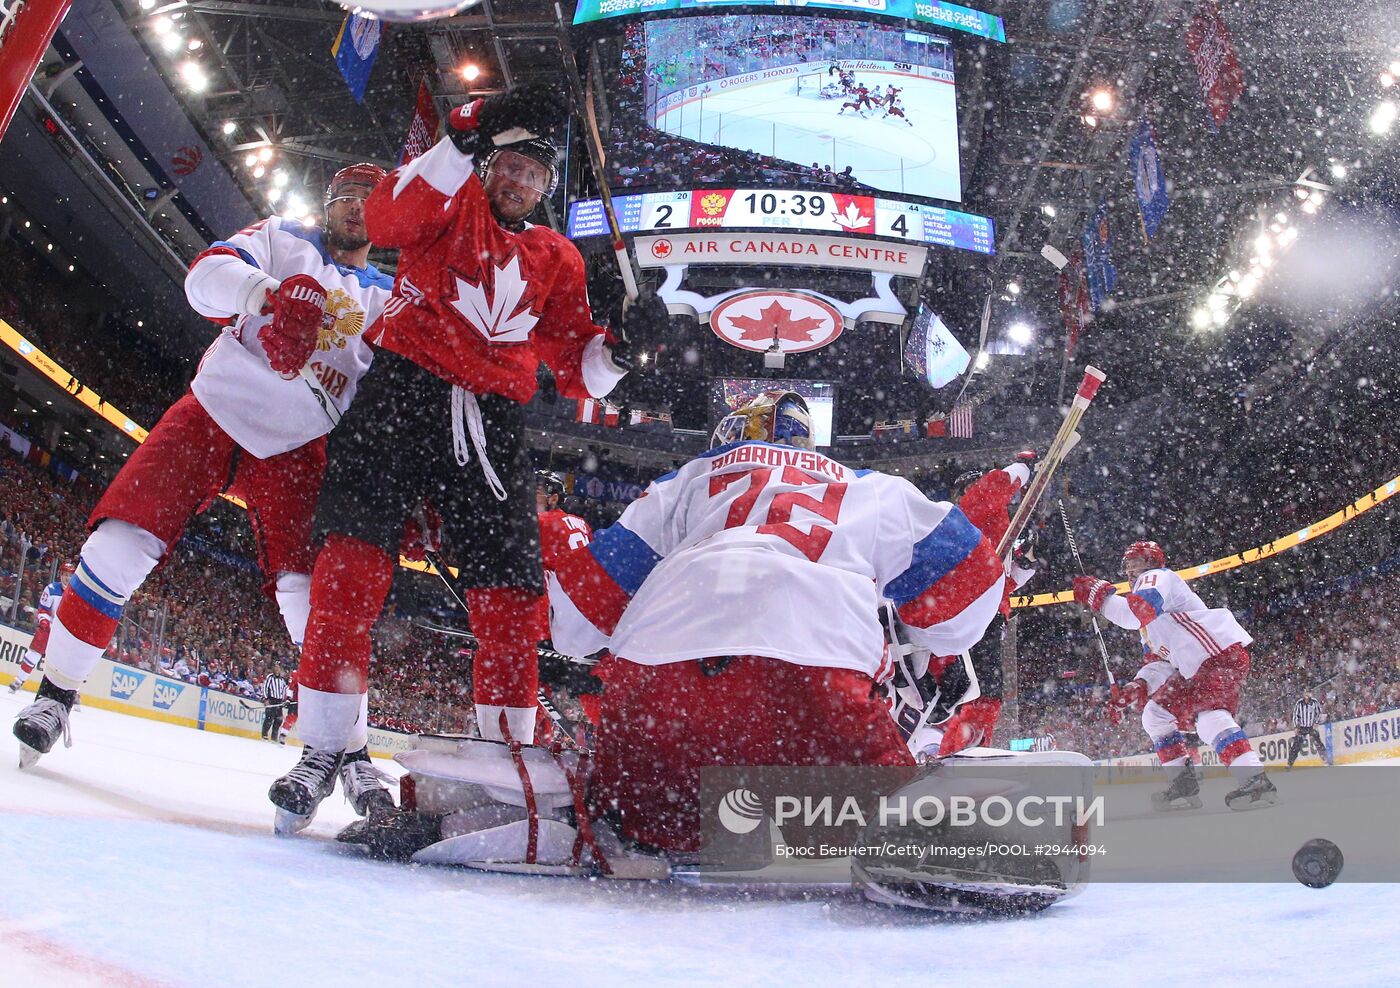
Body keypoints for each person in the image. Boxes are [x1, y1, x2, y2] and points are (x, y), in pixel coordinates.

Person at [266, 83, 654, 832]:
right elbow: (386, 217)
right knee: (350, 571)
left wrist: (624, 349)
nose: (518, 181)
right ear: (489, 168)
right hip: (401, 393)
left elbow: (577, 366)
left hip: (493, 421)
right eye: (508, 166)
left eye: (534, 175)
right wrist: (462, 136)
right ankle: (321, 751)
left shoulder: (558, 257)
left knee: (511, 598)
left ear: (547, 187)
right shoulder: (449, 202)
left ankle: (507, 764)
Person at [11, 165, 394, 788]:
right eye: (347, 197)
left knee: (312, 605)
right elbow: (205, 278)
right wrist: (270, 295)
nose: (357, 208)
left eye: (370, 201)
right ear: (327, 204)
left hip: (300, 446)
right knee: (116, 547)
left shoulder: (388, 297)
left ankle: (347, 754)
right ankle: (55, 697)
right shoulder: (281, 237)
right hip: (214, 409)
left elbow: (401, 391)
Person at [534, 389, 1006, 856]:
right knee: (881, 837)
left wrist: (569, 548)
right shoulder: (871, 488)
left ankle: (640, 826)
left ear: (730, 438)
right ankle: (883, 838)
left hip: (662, 692)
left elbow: (576, 625)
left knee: (647, 821)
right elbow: (971, 602)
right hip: (814, 689)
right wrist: (914, 625)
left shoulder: (686, 481)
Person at [1082, 540, 1278, 810]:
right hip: (1195, 666)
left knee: (1209, 717)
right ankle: (1183, 782)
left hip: (1216, 655)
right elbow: (1160, 662)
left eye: (1134, 562)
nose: (1129, 569)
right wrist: (1137, 686)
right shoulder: (1149, 624)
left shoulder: (1157, 577)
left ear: (1151, 562)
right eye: (1126, 563)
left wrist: (1101, 598)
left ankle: (1255, 779)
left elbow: (1134, 613)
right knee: (1155, 714)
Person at [900, 453, 1037, 757]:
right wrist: (1020, 469)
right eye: (969, 486)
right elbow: (988, 491)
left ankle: (955, 751)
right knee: (976, 693)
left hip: (977, 610)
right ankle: (954, 750)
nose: (976, 488)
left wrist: (1021, 571)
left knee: (977, 693)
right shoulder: (965, 514)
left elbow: (999, 583)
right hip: (965, 610)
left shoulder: (992, 524)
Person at [7, 563, 72, 694]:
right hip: (48, 628)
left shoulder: (75, 594)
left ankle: (73, 692)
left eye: (70, 576)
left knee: (67, 664)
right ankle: (19, 680)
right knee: (34, 653)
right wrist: (44, 622)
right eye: (65, 575)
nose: (67, 578)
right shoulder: (51, 589)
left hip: (64, 632)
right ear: (61, 575)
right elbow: (43, 608)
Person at [1287, 690, 1330, 769]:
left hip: (1311, 727)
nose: (1306, 695)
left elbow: (1319, 713)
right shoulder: (1299, 703)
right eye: (1305, 693)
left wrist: (1316, 723)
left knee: (1318, 743)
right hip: (1302, 727)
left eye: (1308, 693)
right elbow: (1295, 715)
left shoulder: (1314, 702)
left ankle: (1326, 760)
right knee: (1296, 746)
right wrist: (1296, 727)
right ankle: (1290, 764)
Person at [261, 664, 290, 742]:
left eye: (278, 667)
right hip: (271, 700)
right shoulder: (270, 677)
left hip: (279, 701)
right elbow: (265, 688)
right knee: (269, 718)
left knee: (278, 720)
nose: (277, 669)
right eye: (275, 667)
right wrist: (265, 699)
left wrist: (285, 700)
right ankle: (264, 735)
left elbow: (285, 689)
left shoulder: (282, 679)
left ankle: (274, 737)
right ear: (273, 668)